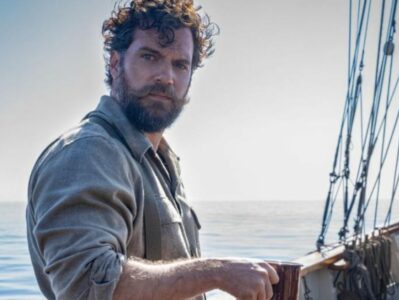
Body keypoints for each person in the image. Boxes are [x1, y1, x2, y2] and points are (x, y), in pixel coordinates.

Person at [26, 1, 279, 299]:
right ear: (115, 64)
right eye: (150, 57)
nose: (166, 77)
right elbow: (86, 287)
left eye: (180, 64)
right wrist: (217, 273)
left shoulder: (159, 161)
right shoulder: (89, 153)